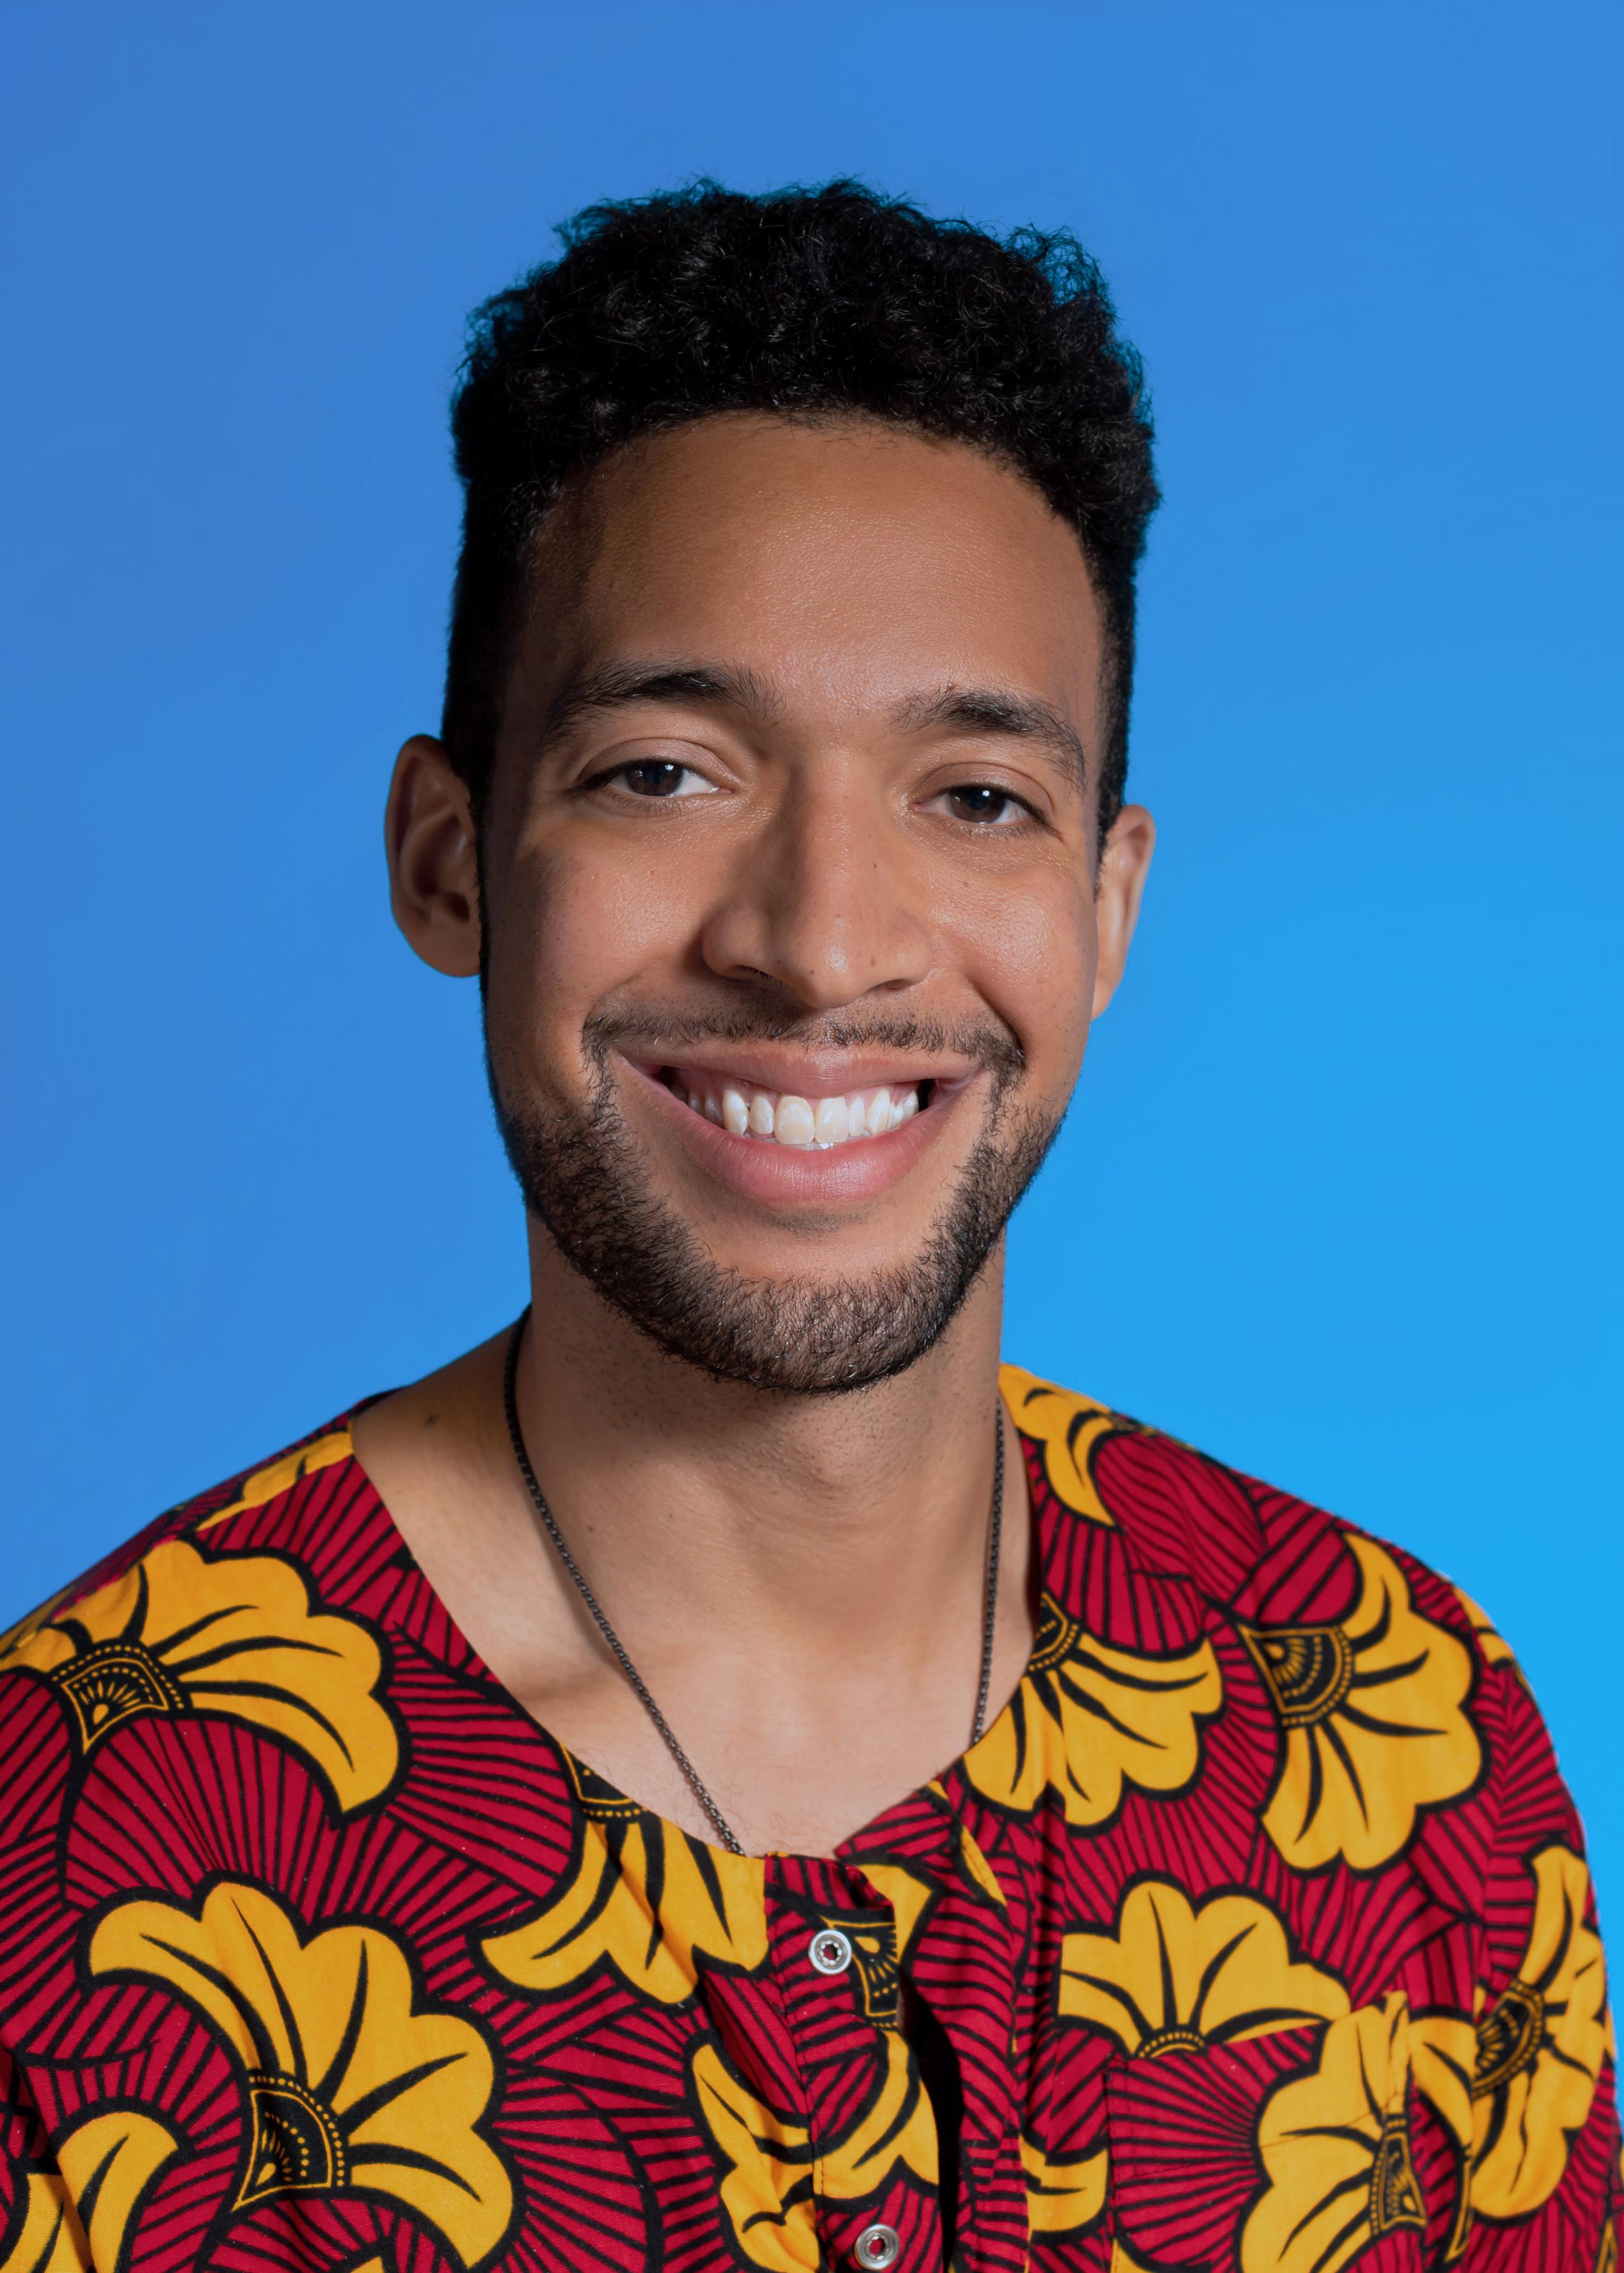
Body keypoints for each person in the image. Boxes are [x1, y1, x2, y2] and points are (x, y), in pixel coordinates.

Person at [0, 181, 1614, 2273]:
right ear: (448, 864)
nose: (822, 943)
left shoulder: (1397, 1732)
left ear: (1109, 908)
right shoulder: (77, 1860)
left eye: (976, 797)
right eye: (667, 772)